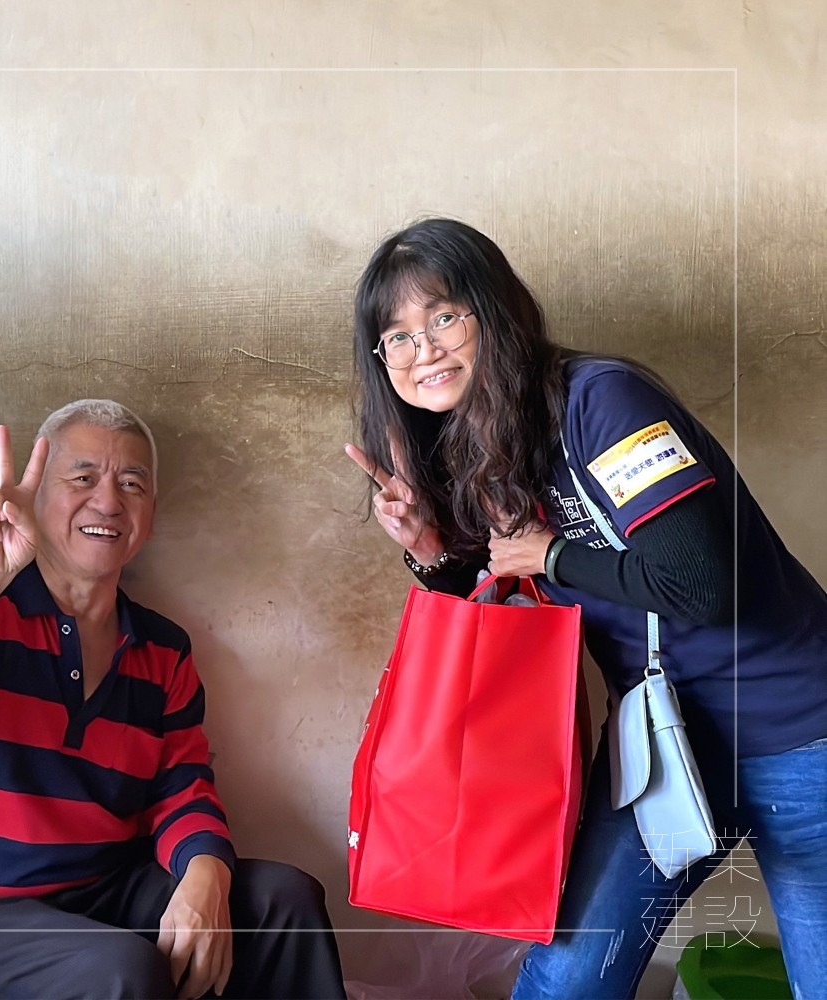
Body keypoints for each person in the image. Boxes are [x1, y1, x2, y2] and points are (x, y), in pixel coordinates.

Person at [344, 218, 827, 999]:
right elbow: (505, 615)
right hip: (662, 740)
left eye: (443, 316)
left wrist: (551, 555)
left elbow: (701, 586)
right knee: (567, 980)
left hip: (799, 727)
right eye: (396, 336)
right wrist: (432, 553)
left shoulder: (600, 398)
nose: (422, 348)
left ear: (493, 312)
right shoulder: (479, 448)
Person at [0, 399, 346, 1000]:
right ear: (35, 497)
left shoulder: (162, 650)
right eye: (83, 479)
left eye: (132, 484)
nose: (109, 502)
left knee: (284, 903)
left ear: (150, 516)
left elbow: (180, 786)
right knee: (119, 971)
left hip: (101, 893)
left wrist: (206, 871)